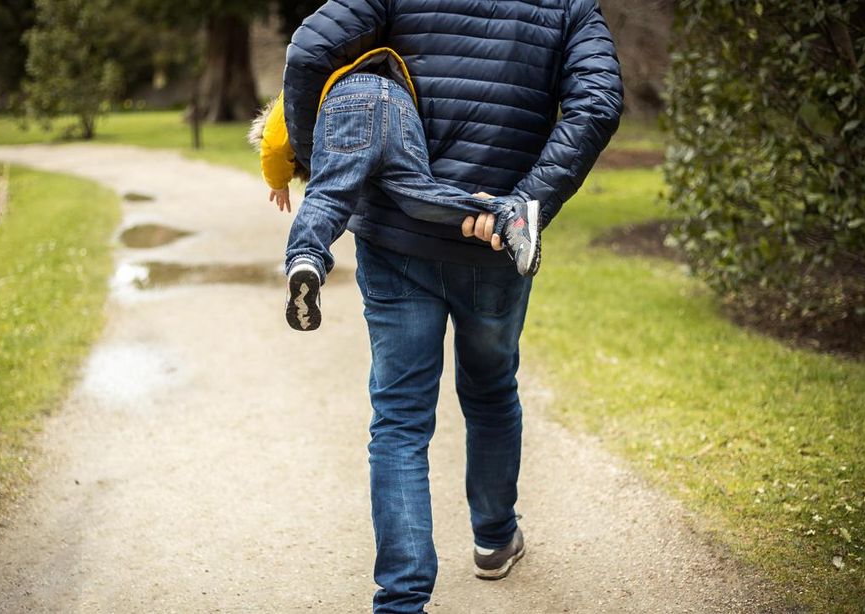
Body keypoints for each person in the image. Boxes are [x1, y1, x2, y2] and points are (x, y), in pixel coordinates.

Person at [283, 1, 623, 612]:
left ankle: (402, 599)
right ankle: (494, 540)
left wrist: (325, 163)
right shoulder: (569, 4)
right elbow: (598, 100)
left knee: (400, 417)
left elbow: (310, 49)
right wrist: (526, 203)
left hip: (395, 232)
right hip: (493, 239)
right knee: (491, 390)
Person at [250, 48, 541, 331]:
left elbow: (275, 140)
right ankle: (507, 214)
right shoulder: (385, 53)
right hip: (401, 102)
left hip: (347, 101)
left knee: (329, 196)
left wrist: (277, 181)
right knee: (419, 195)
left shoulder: (305, 84)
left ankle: (306, 258)